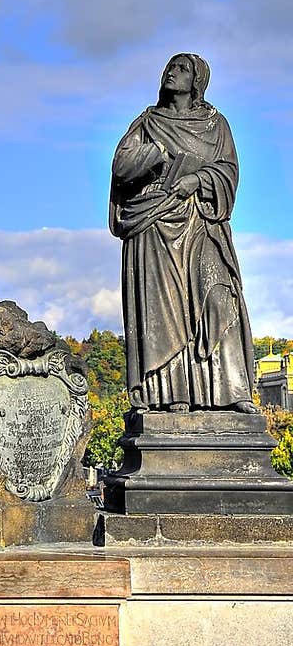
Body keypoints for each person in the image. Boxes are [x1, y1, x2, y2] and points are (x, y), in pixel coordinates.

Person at [110, 53, 258, 413]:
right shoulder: (147, 123)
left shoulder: (215, 124)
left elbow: (228, 172)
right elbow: (121, 166)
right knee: (165, 310)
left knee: (219, 294)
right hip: (154, 222)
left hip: (200, 218)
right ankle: (170, 394)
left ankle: (232, 390)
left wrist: (199, 178)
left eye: (181, 69)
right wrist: (157, 154)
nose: (171, 73)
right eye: (169, 68)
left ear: (197, 81)